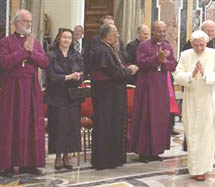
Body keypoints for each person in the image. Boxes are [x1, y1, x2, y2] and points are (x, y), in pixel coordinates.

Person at [0, 9, 49, 176]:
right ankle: (7, 165)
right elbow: (4, 63)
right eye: (25, 21)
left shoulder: (34, 42)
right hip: (12, 90)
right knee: (11, 124)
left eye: (30, 21)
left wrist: (31, 52)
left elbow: (45, 62)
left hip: (31, 90)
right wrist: (24, 52)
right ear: (16, 23)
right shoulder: (5, 42)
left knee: (31, 125)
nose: (29, 24)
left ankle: (29, 163)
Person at [174, 30, 215, 181]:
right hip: (191, 100)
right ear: (191, 44)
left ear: (207, 42)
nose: (198, 49)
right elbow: (177, 76)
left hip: (209, 100)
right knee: (193, 135)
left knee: (207, 135)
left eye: (201, 45)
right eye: (195, 46)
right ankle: (195, 168)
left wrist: (204, 74)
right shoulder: (185, 55)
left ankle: (203, 168)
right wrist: (192, 73)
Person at [89, 24, 139, 170]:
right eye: (116, 33)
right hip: (107, 98)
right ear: (108, 35)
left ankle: (113, 158)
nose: (118, 35)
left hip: (113, 96)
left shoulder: (108, 48)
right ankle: (105, 160)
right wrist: (130, 71)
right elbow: (114, 73)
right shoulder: (102, 50)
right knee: (106, 126)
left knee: (113, 126)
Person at [128, 21, 177, 162]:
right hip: (147, 86)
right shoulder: (144, 45)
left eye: (163, 31)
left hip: (161, 86)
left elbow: (173, 64)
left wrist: (163, 61)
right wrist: (157, 58)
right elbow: (141, 63)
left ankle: (156, 150)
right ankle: (143, 151)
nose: (161, 34)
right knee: (146, 117)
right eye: (158, 31)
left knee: (159, 118)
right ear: (153, 31)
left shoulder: (167, 46)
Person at [44, 28, 84, 170]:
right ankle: (58, 157)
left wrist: (79, 76)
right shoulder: (51, 55)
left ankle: (67, 156)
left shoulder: (76, 54)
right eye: (64, 37)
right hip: (57, 96)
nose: (67, 40)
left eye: (69, 37)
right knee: (58, 127)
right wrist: (67, 77)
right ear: (59, 39)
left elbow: (82, 71)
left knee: (71, 127)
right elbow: (50, 76)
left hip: (72, 97)